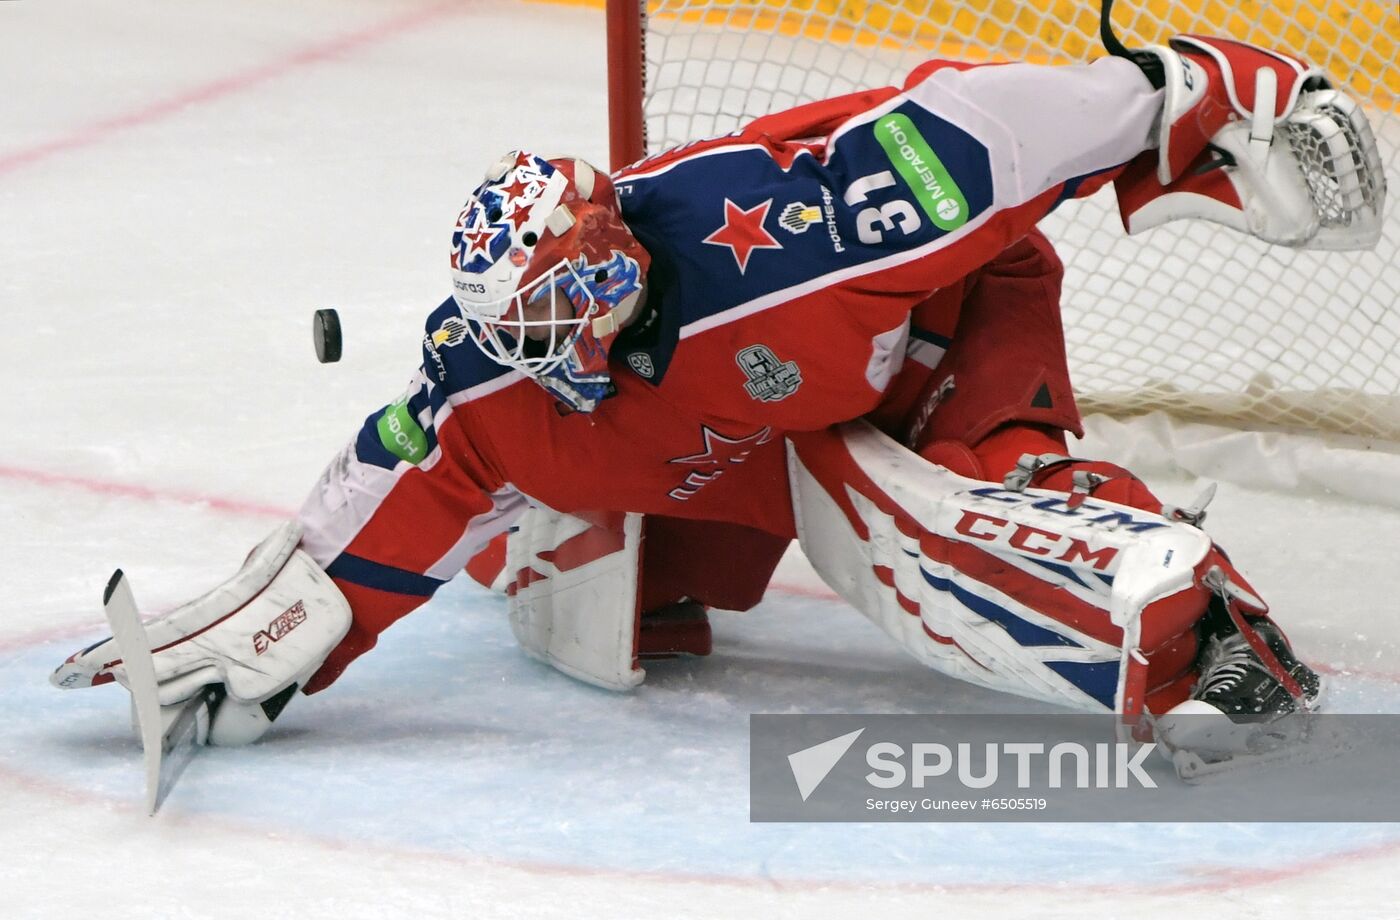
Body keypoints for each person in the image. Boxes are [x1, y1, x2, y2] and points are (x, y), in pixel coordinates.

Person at [54, 32, 1385, 761]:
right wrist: (303, 615)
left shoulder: (806, 233)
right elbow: (401, 475)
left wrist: (1201, 95)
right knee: (605, 500)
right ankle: (683, 572)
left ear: (614, 269)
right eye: (510, 320)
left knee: (932, 532)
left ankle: (1198, 633)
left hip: (939, 322)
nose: (532, 341)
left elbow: (1002, 126)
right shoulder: (499, 380)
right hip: (768, 421)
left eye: (549, 307)